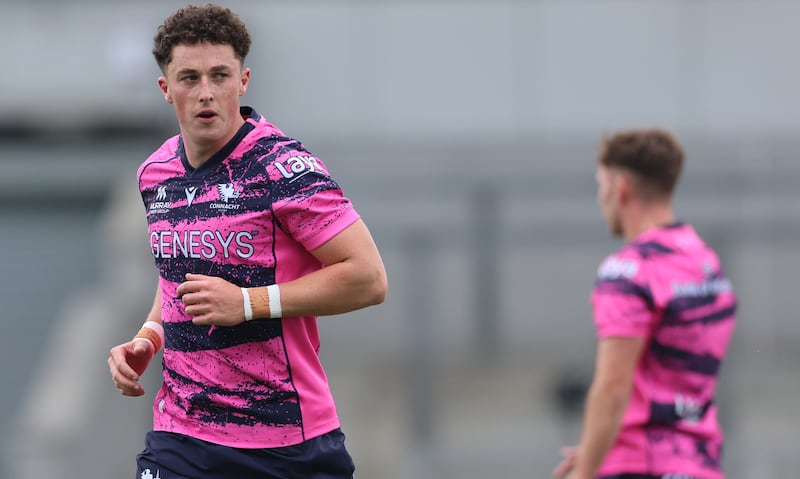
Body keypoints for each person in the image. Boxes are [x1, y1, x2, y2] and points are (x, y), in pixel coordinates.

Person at [106, 4, 388, 479]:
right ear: (165, 88)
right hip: (182, 435)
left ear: (243, 80)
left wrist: (249, 303)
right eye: (190, 78)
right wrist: (148, 337)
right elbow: (176, 275)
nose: (206, 92)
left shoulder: (283, 168)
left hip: (285, 441)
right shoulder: (155, 173)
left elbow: (368, 279)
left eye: (220, 75)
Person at [553, 129, 737, 479]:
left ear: (620, 188)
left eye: (601, 184)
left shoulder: (629, 271)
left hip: (644, 466)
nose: (599, 197)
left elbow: (613, 388)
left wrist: (587, 470)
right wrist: (602, 448)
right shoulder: (707, 266)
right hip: (699, 465)